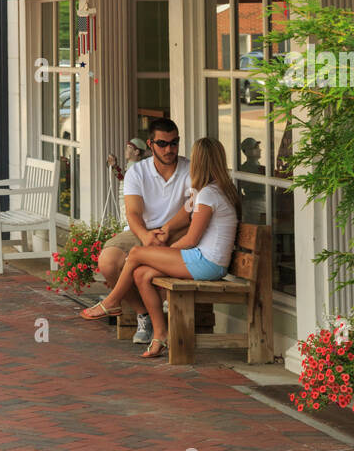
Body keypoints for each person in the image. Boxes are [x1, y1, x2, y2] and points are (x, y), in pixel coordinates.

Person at [80, 137, 241, 358]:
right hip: (206, 260)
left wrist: (165, 250)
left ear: (199, 162)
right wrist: (165, 238)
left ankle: (112, 301)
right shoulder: (211, 190)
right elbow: (190, 216)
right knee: (142, 274)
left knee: (137, 253)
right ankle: (160, 335)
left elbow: (192, 239)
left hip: (207, 263)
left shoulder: (209, 194)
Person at [95, 118, 192, 348]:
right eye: (163, 143)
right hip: (142, 232)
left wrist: (167, 230)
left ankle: (160, 324)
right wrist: (147, 236)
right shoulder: (137, 172)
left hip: (177, 232)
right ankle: (144, 315)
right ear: (150, 144)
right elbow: (133, 212)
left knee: (150, 267)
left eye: (174, 143)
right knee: (108, 262)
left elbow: (191, 208)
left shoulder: (190, 168)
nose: (170, 149)